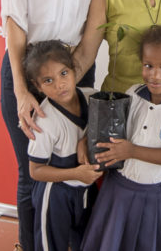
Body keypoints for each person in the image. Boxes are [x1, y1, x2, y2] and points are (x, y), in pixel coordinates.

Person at [0, 0, 110, 251]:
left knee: (81, 166)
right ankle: (30, 245)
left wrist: (70, 80)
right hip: (27, 73)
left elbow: (95, 27)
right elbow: (15, 25)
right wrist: (26, 90)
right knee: (34, 172)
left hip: (77, 75)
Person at [81, 24, 161, 251]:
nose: (155, 75)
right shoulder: (134, 93)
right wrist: (84, 138)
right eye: (148, 66)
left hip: (153, 198)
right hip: (116, 192)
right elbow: (111, 126)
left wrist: (131, 151)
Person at [24, 40, 102, 251]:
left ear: (74, 70)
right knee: (51, 244)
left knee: (86, 241)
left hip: (83, 189)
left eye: (64, 74)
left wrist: (85, 140)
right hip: (55, 193)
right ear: (37, 86)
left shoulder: (90, 97)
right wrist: (76, 174)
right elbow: (36, 170)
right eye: (48, 80)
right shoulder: (45, 120)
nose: (59, 84)